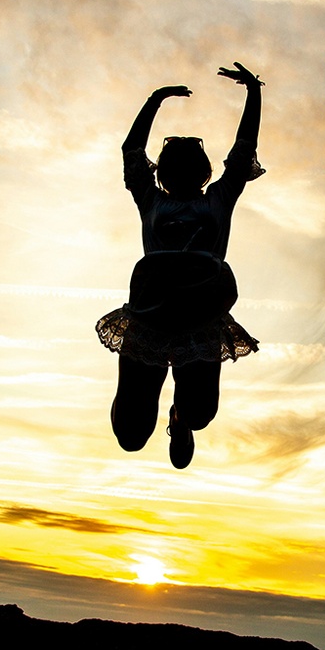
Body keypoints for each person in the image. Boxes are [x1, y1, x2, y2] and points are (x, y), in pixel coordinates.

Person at [96, 64, 264, 468]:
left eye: (192, 163)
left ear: (204, 172)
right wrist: (155, 100)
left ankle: (179, 418)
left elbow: (244, 148)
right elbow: (131, 151)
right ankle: (143, 406)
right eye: (174, 162)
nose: (184, 168)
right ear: (164, 171)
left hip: (200, 319)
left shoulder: (219, 199)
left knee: (199, 415)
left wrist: (254, 92)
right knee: (130, 436)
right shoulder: (151, 200)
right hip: (150, 318)